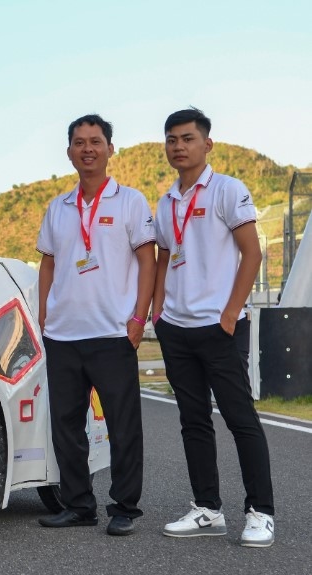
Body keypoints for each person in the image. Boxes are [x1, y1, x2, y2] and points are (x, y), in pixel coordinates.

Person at [152, 108, 274, 547]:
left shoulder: (227, 189)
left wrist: (229, 314)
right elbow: (164, 257)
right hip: (176, 329)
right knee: (193, 421)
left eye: (187, 138)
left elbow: (252, 253)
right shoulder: (165, 203)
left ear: (207, 145)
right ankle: (208, 509)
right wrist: (157, 310)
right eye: (171, 140)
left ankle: (261, 512)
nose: (178, 146)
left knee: (240, 419)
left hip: (220, 327)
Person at [35, 114, 155, 536]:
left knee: (123, 426)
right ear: (69, 151)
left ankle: (124, 507)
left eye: (96, 141)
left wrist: (140, 317)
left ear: (110, 149)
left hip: (112, 333)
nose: (88, 148)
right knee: (66, 426)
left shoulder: (130, 202)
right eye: (80, 142)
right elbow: (47, 263)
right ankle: (79, 505)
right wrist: (43, 312)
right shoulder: (58, 207)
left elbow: (147, 261)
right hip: (64, 334)